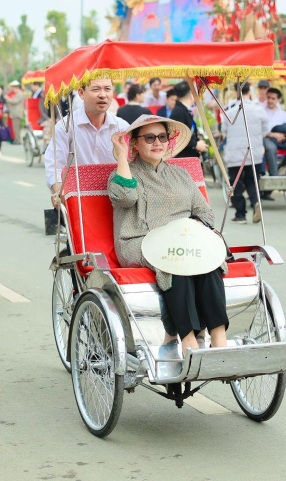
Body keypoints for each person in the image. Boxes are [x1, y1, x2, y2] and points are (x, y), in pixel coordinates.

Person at [108, 115, 228, 352]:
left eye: (162, 137)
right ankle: (188, 340)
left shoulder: (180, 174)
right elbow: (125, 198)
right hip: (139, 240)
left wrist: (195, 232)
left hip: (183, 239)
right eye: (149, 138)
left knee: (207, 259)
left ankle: (219, 338)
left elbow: (204, 212)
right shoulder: (123, 173)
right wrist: (122, 155)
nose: (157, 143)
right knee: (176, 260)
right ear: (135, 143)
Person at [44, 76, 130, 207]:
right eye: (96, 89)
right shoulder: (66, 127)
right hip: (78, 199)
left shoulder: (122, 127)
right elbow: (55, 165)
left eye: (107, 89)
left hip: (116, 199)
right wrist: (59, 191)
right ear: (81, 93)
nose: (103, 95)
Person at [222, 83, 269, 223]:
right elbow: (265, 130)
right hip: (254, 152)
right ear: (250, 91)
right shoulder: (259, 110)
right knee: (252, 181)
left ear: (237, 92)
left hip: (235, 154)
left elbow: (224, 131)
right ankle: (255, 202)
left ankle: (240, 214)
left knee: (235, 183)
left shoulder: (229, 111)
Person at [168, 81, 208, 159]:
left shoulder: (183, 110)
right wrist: (195, 145)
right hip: (184, 158)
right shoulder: (178, 112)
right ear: (191, 95)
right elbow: (177, 137)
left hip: (189, 156)